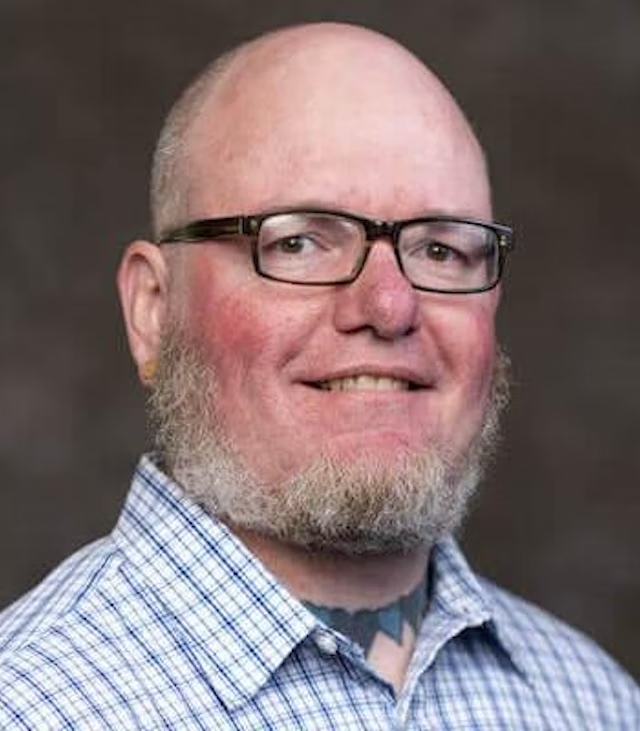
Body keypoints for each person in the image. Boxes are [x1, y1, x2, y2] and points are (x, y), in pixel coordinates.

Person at [0, 21, 637, 730]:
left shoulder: (594, 701)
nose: (390, 307)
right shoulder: (28, 704)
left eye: (439, 249)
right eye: (299, 241)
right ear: (154, 308)